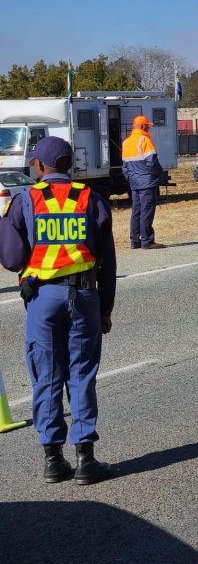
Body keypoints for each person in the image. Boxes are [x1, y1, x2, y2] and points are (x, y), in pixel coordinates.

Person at [0, 137, 116, 485]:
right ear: (70, 165)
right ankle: (85, 459)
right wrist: (105, 309)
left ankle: (53, 459)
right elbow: (107, 261)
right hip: (84, 296)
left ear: (38, 166)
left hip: (42, 298)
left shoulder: (26, 200)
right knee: (81, 374)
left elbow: (11, 259)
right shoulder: (90, 198)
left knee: (46, 376)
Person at [122, 115, 165, 249]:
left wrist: (131, 179)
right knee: (147, 211)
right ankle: (147, 240)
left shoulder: (126, 142)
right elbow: (152, 162)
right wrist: (159, 175)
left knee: (136, 211)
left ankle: (135, 241)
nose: (148, 129)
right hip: (147, 182)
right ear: (142, 127)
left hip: (134, 183)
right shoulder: (144, 140)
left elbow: (125, 167)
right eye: (147, 126)